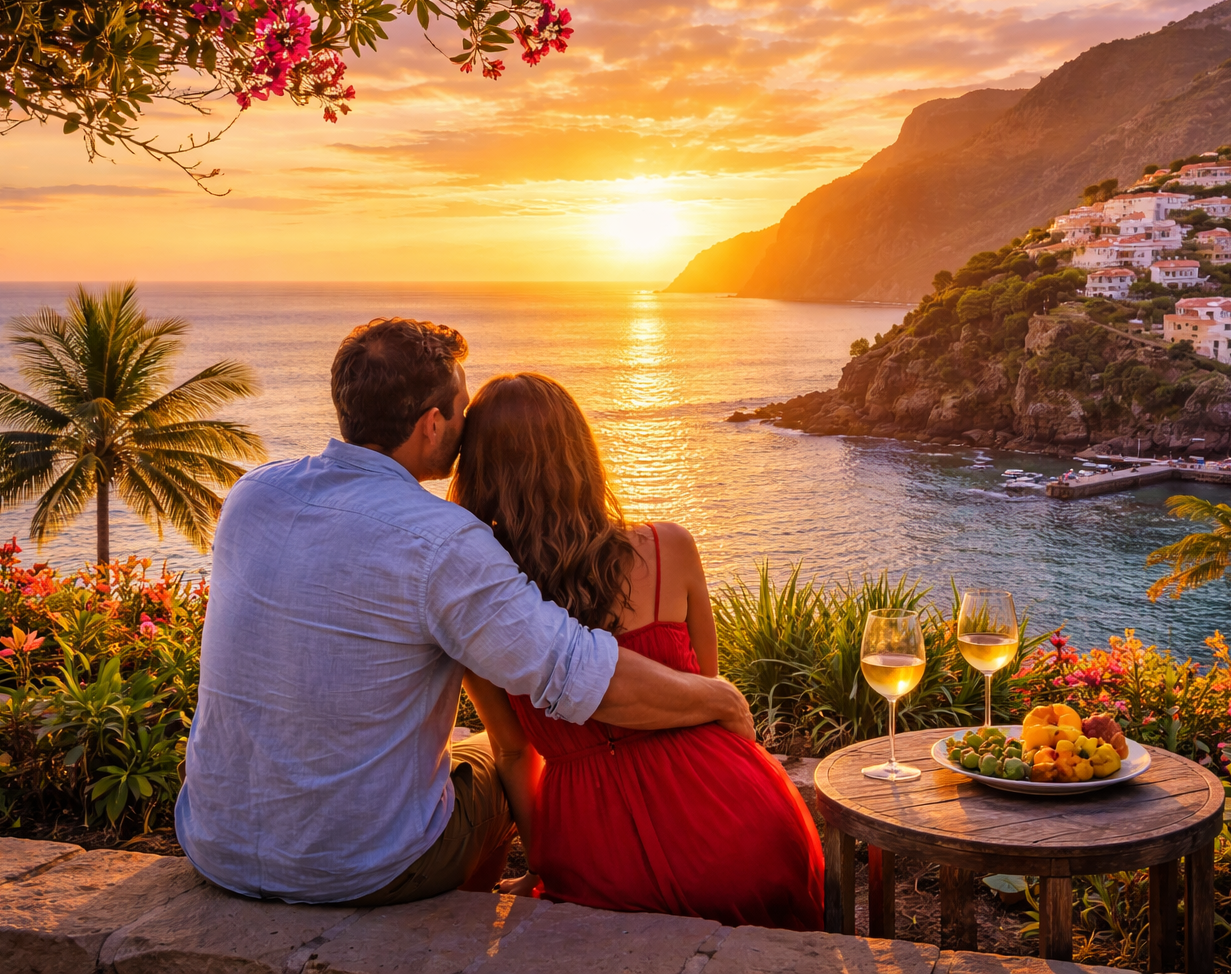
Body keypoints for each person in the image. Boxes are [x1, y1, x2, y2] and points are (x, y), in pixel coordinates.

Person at [175, 318, 752, 905]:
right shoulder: (442, 542)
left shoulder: (254, 494)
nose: (465, 427)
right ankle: (465, 925)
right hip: (359, 869)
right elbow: (581, 676)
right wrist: (719, 698)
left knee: (479, 747)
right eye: (461, 410)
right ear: (432, 425)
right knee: (490, 761)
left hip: (216, 843)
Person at [448, 372, 823, 930]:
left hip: (593, 848)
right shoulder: (670, 547)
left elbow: (512, 753)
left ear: (477, 473)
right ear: (580, 453)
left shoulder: (477, 604)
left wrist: (544, 866)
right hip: (738, 824)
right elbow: (703, 700)